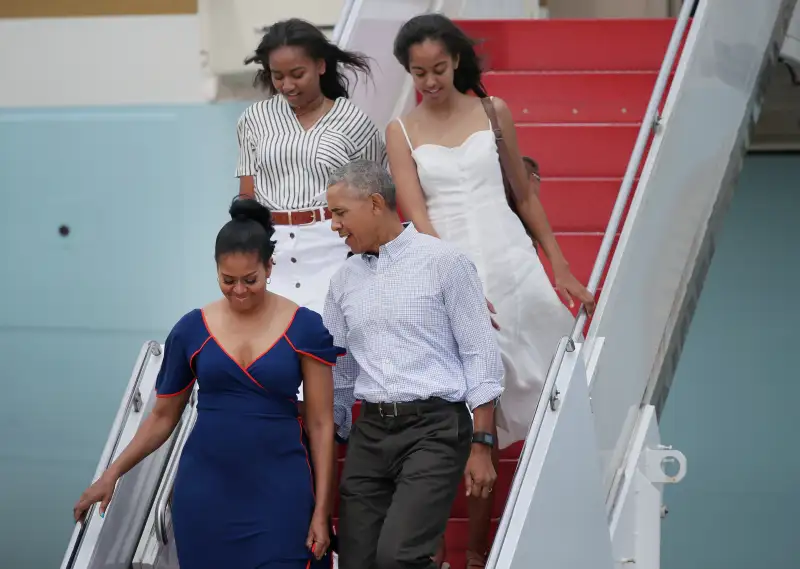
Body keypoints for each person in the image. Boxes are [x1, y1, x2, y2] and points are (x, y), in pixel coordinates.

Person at [386, 14, 596, 568]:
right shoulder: (401, 130)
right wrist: (453, 286)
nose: (429, 81)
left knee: (547, 394)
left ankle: (500, 542)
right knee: (468, 418)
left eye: (437, 68)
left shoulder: (492, 111)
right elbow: (418, 216)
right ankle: (457, 550)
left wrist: (562, 269)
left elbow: (524, 199)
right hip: (454, 273)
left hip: (515, 267)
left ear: (456, 60)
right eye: (418, 72)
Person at [73, 198, 341, 569]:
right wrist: (111, 475)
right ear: (215, 270)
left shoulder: (305, 327)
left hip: (280, 489)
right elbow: (162, 417)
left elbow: (321, 423)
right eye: (227, 280)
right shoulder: (191, 329)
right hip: (206, 491)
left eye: (251, 280)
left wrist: (322, 511)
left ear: (269, 266)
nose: (239, 291)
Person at [323, 160, 504, 569]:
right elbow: (339, 370)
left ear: (373, 203)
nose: (334, 226)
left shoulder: (446, 262)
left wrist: (483, 443)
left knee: (398, 559)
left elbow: (481, 355)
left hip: (435, 429)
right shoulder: (342, 280)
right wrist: (331, 431)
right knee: (355, 561)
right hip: (370, 432)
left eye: (339, 213)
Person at [237, 18, 387, 318]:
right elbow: (246, 197)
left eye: (297, 74)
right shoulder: (254, 118)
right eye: (277, 76)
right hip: (272, 249)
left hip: (335, 245)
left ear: (320, 66)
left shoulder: (354, 121)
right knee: (277, 348)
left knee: (332, 344)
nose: (287, 85)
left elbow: (376, 202)